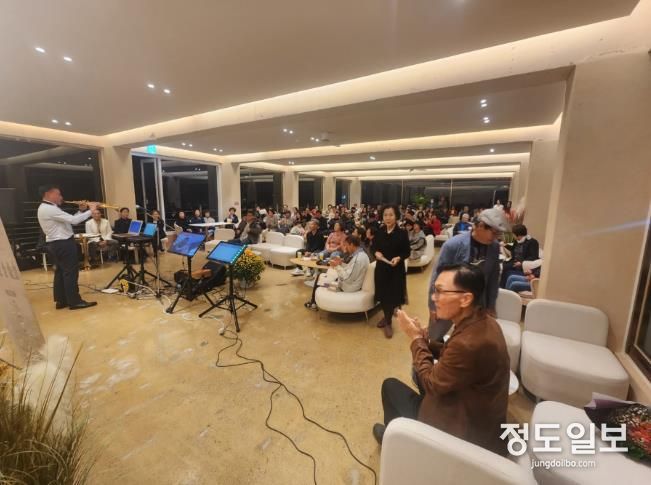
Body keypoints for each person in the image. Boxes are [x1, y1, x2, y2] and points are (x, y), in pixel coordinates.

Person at [373, 263, 510, 456]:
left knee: (390, 386)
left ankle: (394, 442)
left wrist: (415, 338)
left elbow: (430, 383)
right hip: (473, 409)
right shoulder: (483, 322)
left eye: (440, 291)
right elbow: (451, 352)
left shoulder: (469, 343)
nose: (433, 298)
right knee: (417, 372)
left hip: (462, 429)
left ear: (465, 299)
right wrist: (424, 339)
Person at [427, 208, 509, 342]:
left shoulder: (493, 247)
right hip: (450, 299)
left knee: (471, 339)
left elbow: (493, 278)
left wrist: (490, 305)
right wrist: (433, 306)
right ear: (480, 225)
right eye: (494, 233)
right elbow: (437, 278)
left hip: (476, 303)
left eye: (498, 234)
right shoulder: (453, 245)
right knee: (435, 336)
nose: (496, 238)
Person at [37, 185, 97, 310]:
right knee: (70, 272)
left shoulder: (46, 208)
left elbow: (68, 221)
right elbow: (74, 221)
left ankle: (61, 300)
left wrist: (81, 211)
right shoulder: (50, 209)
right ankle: (75, 301)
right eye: (58, 194)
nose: (61, 197)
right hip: (63, 243)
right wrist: (91, 210)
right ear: (48, 194)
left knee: (60, 272)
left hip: (56, 244)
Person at [372, 205, 411, 338]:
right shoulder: (379, 232)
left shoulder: (402, 233)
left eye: (391, 215)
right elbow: (373, 248)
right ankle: (387, 317)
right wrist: (376, 253)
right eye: (385, 215)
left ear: (396, 217)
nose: (388, 218)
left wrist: (399, 257)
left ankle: (388, 321)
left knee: (393, 296)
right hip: (381, 269)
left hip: (396, 270)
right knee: (383, 295)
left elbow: (407, 252)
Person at [305, 235, 370, 308]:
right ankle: (313, 302)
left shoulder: (358, 259)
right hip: (350, 284)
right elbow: (351, 269)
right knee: (323, 277)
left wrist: (337, 266)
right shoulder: (361, 255)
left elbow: (347, 278)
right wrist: (341, 263)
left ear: (351, 244)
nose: (345, 248)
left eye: (346, 245)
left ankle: (313, 303)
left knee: (320, 281)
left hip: (347, 287)